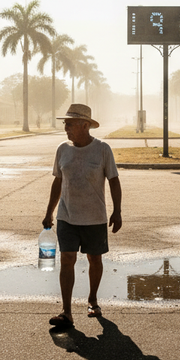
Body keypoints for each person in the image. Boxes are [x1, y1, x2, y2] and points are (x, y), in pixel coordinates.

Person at [43, 103, 122, 328]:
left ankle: (93, 300)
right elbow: (58, 181)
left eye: (70, 124)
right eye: (65, 124)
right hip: (66, 216)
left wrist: (117, 210)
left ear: (85, 125)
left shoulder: (102, 149)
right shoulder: (62, 149)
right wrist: (49, 212)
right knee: (67, 259)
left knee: (94, 259)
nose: (66, 128)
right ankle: (66, 312)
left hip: (95, 217)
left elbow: (114, 180)